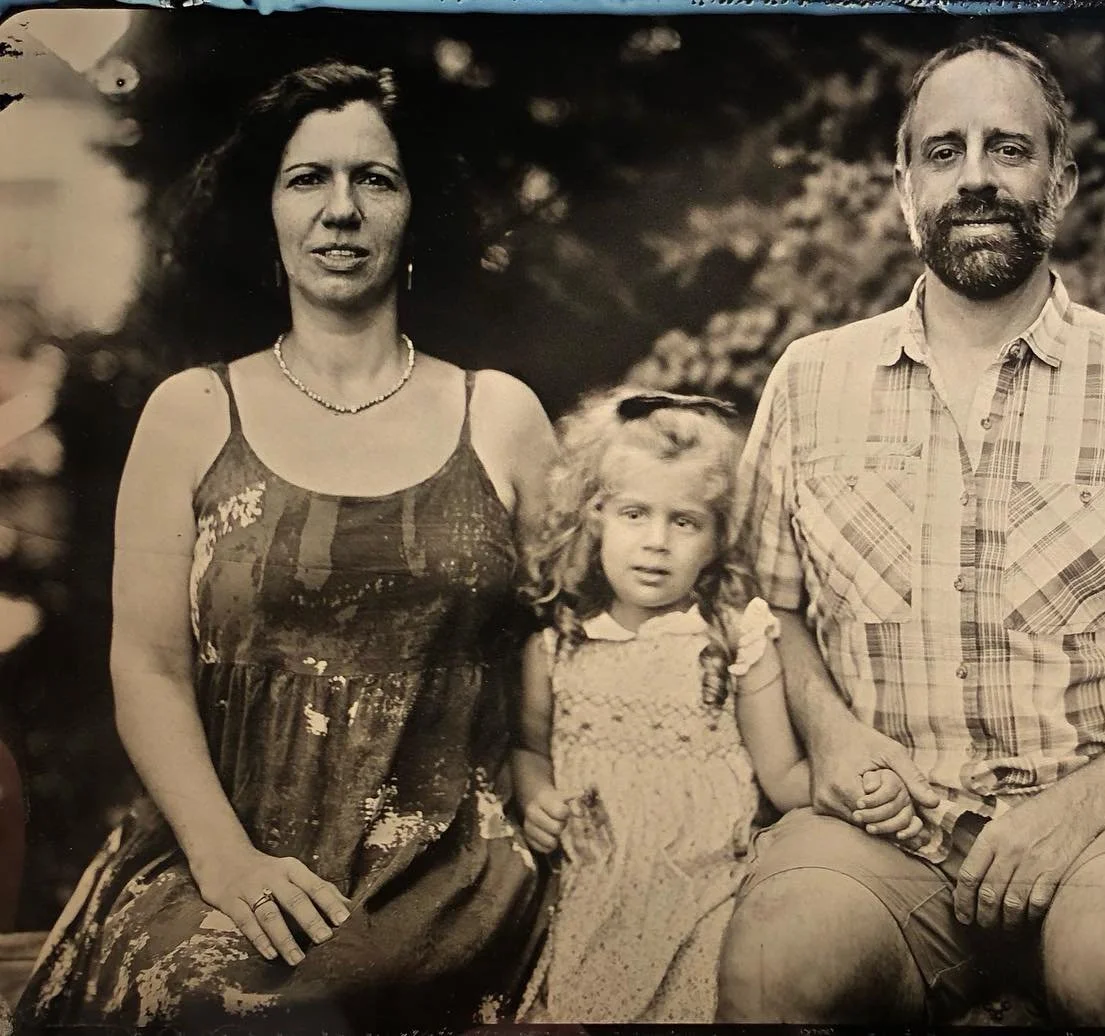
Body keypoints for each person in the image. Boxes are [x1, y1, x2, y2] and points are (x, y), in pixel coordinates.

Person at [720, 33, 1105, 1027]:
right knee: (775, 973)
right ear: (904, 186)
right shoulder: (810, 384)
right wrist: (835, 733)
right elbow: (773, 608)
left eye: (1007, 148)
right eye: (945, 151)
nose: (975, 176)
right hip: (887, 838)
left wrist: (1076, 809)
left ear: (1059, 180)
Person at [18, 61, 555, 1030]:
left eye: (374, 179)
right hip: (227, 853)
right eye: (308, 178)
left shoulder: (499, 413)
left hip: (454, 866)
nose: (341, 209)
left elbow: (568, 639)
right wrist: (223, 858)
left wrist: (543, 776)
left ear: (413, 212)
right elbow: (146, 666)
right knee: (211, 1003)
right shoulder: (191, 412)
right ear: (262, 212)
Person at [511, 388, 921, 1022]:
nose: (656, 542)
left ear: (716, 537)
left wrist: (858, 790)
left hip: (706, 895)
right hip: (595, 891)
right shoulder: (558, 648)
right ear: (594, 517)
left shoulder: (734, 639)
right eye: (633, 514)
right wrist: (536, 793)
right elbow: (529, 748)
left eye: (684, 521)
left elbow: (782, 776)